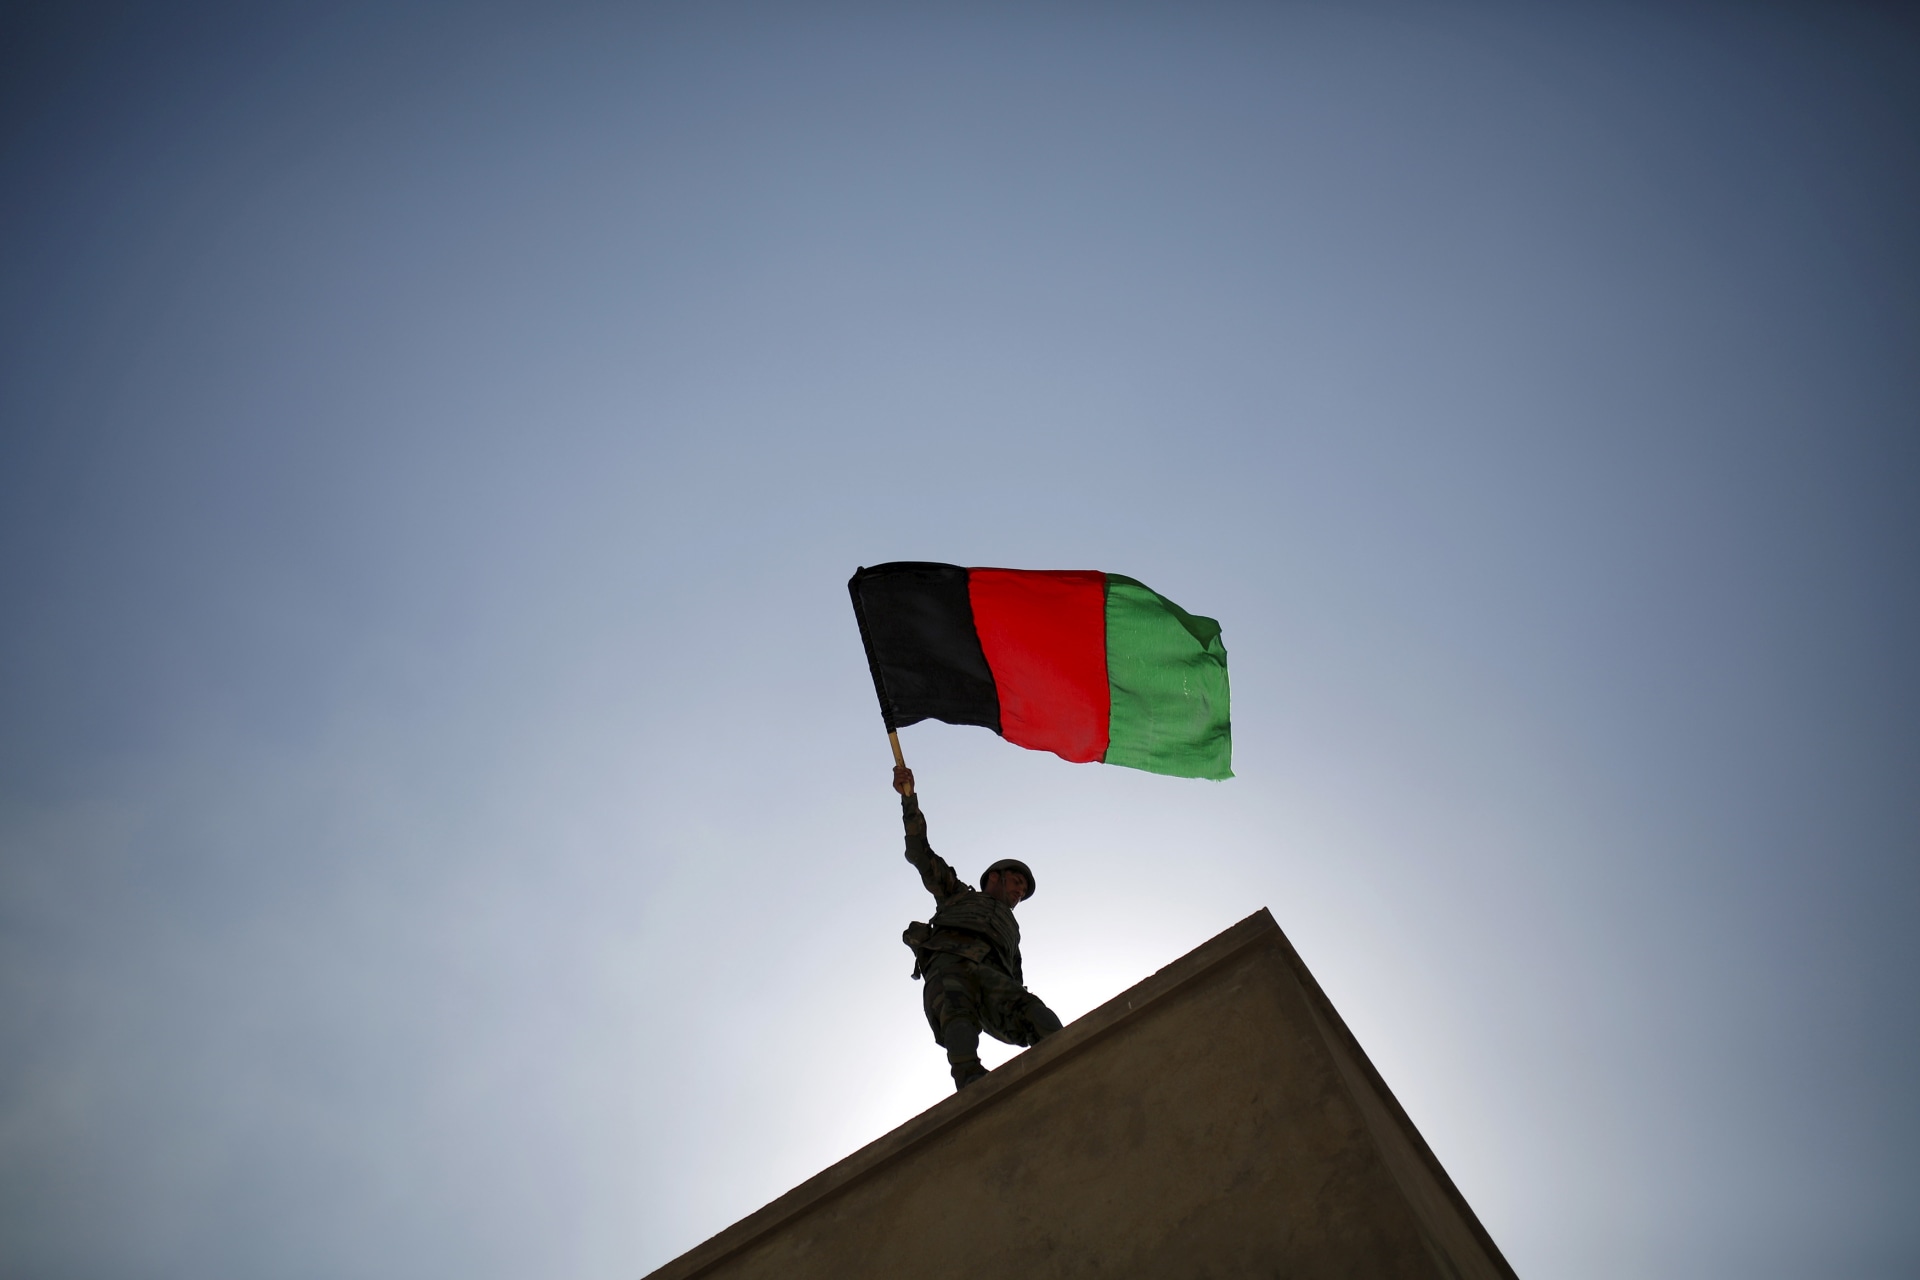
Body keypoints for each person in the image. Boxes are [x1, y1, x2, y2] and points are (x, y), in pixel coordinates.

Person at [894, 764, 1063, 1090]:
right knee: (958, 1015)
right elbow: (919, 852)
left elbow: (1015, 976)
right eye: (1015, 882)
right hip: (949, 960)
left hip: (992, 972)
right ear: (995, 878)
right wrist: (908, 798)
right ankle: (969, 1079)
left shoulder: (1011, 929)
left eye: (1023, 890)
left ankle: (1068, 1052)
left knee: (1030, 1010)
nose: (1019, 892)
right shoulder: (956, 893)